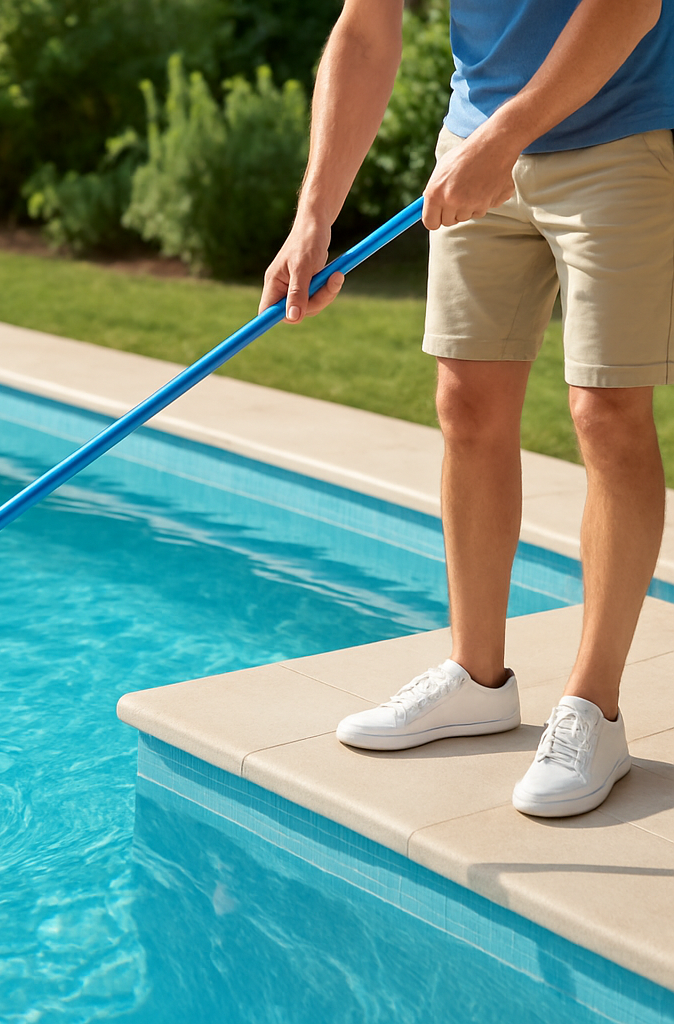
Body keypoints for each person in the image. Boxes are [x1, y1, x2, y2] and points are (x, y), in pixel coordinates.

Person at [260, 0, 674, 817]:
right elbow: (366, 28)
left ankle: (595, 710)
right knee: (467, 403)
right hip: (475, 141)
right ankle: (478, 679)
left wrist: (505, 137)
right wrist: (315, 214)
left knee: (607, 412)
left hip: (618, 139)